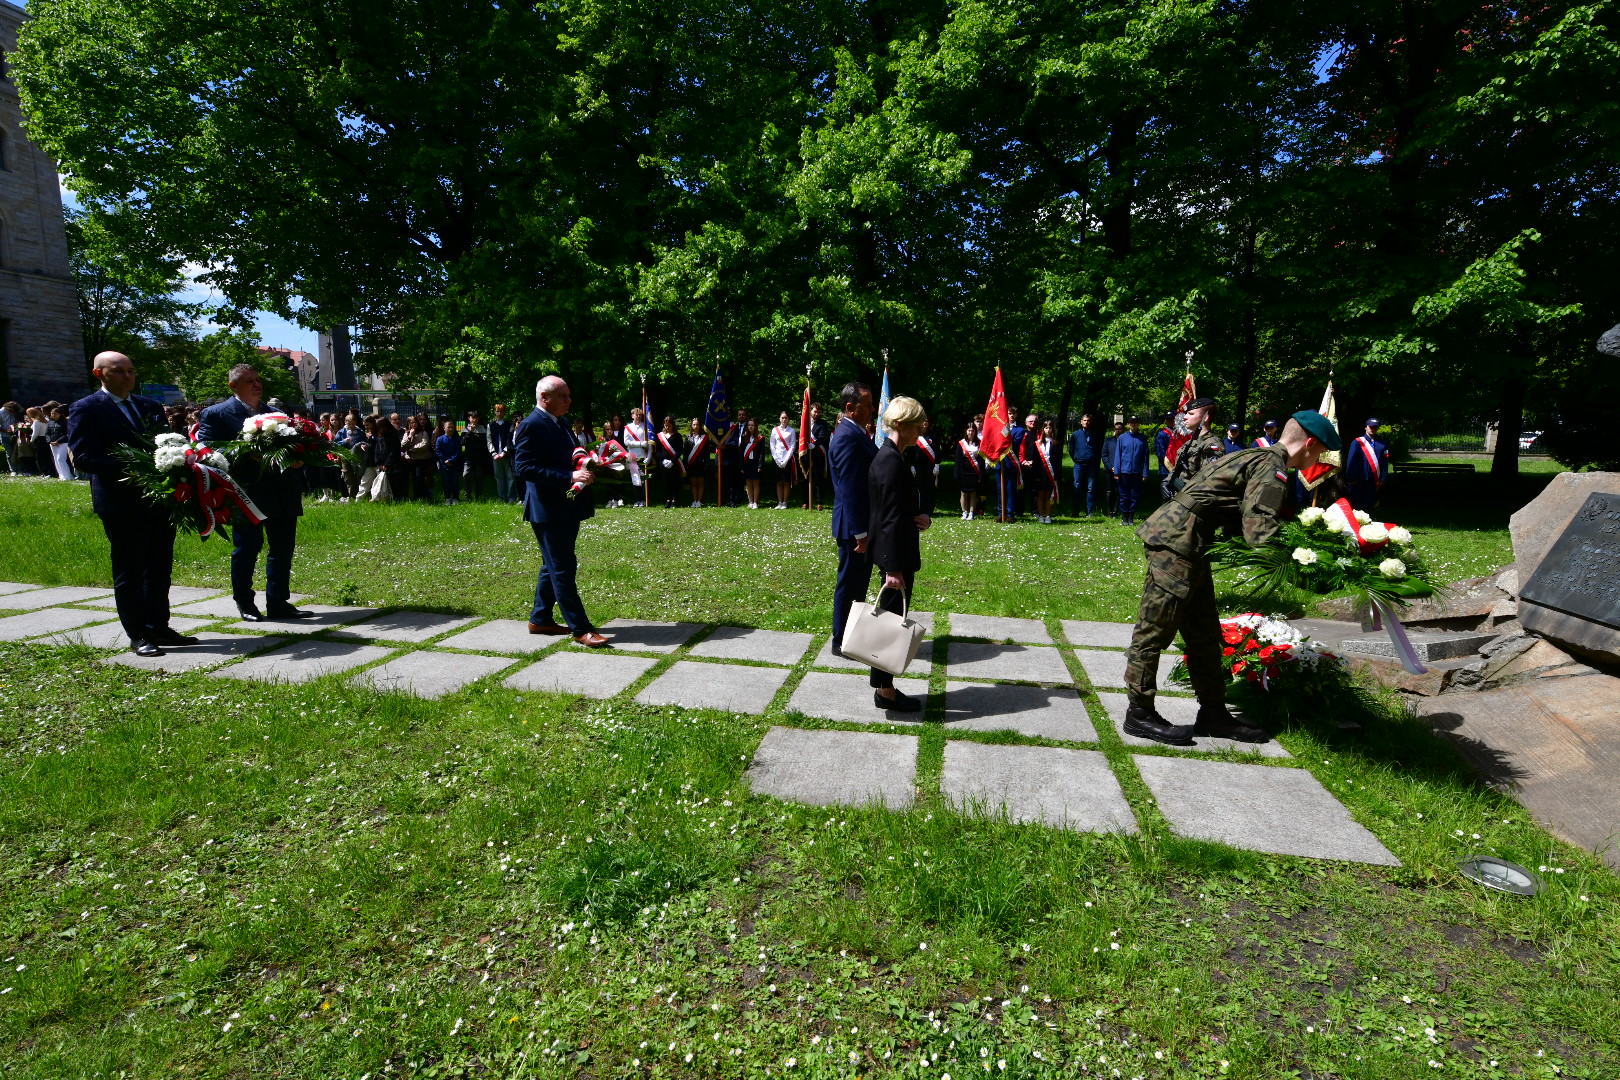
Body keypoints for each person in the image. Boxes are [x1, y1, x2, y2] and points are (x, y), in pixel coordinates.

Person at [1121, 411, 1339, 745]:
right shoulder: (1271, 466)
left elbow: (1234, 514)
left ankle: (1213, 714)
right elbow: (1259, 533)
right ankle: (1139, 713)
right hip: (1176, 543)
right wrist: (1309, 568)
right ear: (1309, 443)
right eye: (1319, 452)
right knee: (1154, 629)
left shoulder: (1256, 456)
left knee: (1204, 635)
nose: (1316, 460)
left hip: (1189, 543)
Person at [66, 352, 198, 656]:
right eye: (119, 371)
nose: (127, 376)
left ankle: (159, 626)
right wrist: (134, 469)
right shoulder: (86, 408)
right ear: (99, 374)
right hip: (120, 502)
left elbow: (166, 444)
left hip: (159, 500)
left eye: (131, 371)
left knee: (159, 567)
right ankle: (138, 633)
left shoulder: (149, 406)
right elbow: (84, 457)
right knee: (130, 569)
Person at [197, 364, 311, 622]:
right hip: (246, 494)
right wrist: (248, 454)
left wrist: (299, 458)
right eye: (249, 381)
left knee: (282, 549)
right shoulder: (216, 414)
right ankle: (245, 602)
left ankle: (278, 601)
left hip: (282, 492)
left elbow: (293, 446)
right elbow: (208, 452)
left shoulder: (276, 414)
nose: (257, 384)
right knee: (247, 548)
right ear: (233, 386)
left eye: (258, 380)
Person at [513, 375, 609, 647]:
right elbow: (523, 468)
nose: (569, 401)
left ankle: (540, 618)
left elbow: (570, 452)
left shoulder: (561, 422)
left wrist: (588, 463)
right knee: (563, 567)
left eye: (568, 395)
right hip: (547, 509)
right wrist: (569, 476)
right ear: (545, 398)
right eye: (563, 396)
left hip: (566, 506)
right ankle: (581, 628)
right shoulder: (531, 425)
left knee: (553, 564)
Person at [865, 395, 931, 712]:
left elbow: (895, 511)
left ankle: (884, 688)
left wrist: (919, 517)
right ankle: (885, 693)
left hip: (898, 552)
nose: (922, 428)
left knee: (890, 623)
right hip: (896, 559)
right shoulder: (890, 461)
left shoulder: (892, 456)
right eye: (918, 423)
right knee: (889, 625)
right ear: (902, 425)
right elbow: (887, 518)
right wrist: (892, 569)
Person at [828, 381, 876, 656]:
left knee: (858, 584)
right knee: (850, 583)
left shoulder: (855, 433)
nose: (872, 410)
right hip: (853, 528)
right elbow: (849, 488)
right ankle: (840, 639)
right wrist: (861, 533)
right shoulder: (847, 436)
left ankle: (851, 636)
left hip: (858, 526)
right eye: (867, 406)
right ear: (850, 407)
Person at [1164, 397, 1224, 497]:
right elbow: (1178, 470)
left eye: (1191, 414)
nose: (1184, 417)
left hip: (1193, 503)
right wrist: (1167, 481)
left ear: (1205, 417)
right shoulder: (1189, 444)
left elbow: (1210, 481)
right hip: (1180, 500)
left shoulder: (1211, 445)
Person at [1108, 416, 1151, 526]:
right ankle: (1124, 517)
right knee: (1124, 495)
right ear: (1128, 424)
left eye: (1135, 422)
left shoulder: (1143, 438)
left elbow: (1146, 457)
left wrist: (1145, 472)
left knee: (1134, 495)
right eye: (1131, 422)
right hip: (1124, 471)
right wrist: (1117, 471)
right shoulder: (1122, 438)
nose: (1133, 424)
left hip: (1137, 471)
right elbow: (1118, 455)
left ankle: (1131, 517)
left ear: (1138, 424)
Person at [1344, 417, 1389, 513]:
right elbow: (1351, 461)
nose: (1373, 429)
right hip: (1359, 479)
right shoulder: (1357, 442)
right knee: (1356, 506)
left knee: (1369, 505)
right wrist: (1351, 478)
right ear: (1366, 427)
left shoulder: (1383, 443)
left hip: (1374, 480)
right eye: (1371, 427)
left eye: (1375, 427)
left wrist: (1383, 477)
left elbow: (1385, 461)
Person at [903, 417, 938, 517]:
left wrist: (937, 465)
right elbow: (911, 452)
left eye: (927, 421)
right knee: (919, 488)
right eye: (924, 421)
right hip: (918, 466)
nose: (925, 423)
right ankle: (919, 508)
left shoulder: (933, 436)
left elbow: (937, 451)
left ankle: (929, 509)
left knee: (929, 488)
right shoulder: (915, 435)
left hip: (930, 467)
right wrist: (912, 464)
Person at [1068, 412, 1100, 518]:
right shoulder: (1075, 434)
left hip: (1091, 465)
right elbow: (1071, 449)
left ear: (1091, 422)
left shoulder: (1095, 434)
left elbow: (1098, 449)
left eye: (1088, 420)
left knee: (1090, 488)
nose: (1086, 422)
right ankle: (1075, 511)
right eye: (1084, 420)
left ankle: (1089, 511)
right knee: (1077, 487)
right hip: (1079, 464)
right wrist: (1077, 458)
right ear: (1081, 422)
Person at [1028, 418, 1060, 523]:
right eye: (1046, 428)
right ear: (1043, 429)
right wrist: (1035, 475)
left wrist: (1057, 474)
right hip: (1040, 473)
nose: (1048, 430)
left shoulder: (1056, 443)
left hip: (1051, 473)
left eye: (1050, 428)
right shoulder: (1037, 443)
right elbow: (1035, 461)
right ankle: (1041, 515)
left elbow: (1057, 461)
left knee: (1049, 495)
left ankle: (1048, 516)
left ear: (1053, 430)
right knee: (1040, 495)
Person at [651, 415, 685, 508]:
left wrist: (672, 461)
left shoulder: (677, 436)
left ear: (673, 425)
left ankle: (674, 499)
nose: (667, 427)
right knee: (666, 481)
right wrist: (662, 459)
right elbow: (657, 450)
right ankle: (668, 499)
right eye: (665, 425)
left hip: (674, 463)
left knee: (674, 481)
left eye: (669, 425)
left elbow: (679, 450)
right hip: (663, 463)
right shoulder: (660, 436)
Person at [488, 403, 517, 503]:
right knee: (499, 478)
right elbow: (489, 441)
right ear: (494, 412)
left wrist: (504, 452)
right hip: (495, 455)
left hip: (506, 455)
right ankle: (501, 497)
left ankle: (511, 498)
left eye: (502, 411)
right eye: (497, 411)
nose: (499, 413)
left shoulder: (509, 425)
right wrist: (494, 453)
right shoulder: (490, 425)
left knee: (510, 477)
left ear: (504, 412)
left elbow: (510, 440)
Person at [623, 406, 652, 507]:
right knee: (635, 479)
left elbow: (650, 443)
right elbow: (626, 442)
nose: (639, 416)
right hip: (632, 456)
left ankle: (644, 500)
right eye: (637, 414)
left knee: (643, 479)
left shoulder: (645, 426)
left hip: (643, 456)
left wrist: (649, 455)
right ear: (632, 416)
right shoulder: (628, 427)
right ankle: (637, 500)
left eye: (640, 415)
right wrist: (640, 444)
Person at [770, 410, 798, 509]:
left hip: (787, 458)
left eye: (785, 417)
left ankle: (785, 502)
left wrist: (786, 459)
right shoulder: (775, 430)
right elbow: (772, 445)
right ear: (779, 419)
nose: (784, 419)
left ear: (788, 419)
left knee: (786, 482)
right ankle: (779, 502)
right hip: (777, 458)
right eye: (782, 418)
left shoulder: (792, 431)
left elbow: (792, 445)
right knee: (778, 481)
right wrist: (777, 459)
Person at [955, 419, 983, 519]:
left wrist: (981, 473)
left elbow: (981, 460)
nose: (970, 432)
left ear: (975, 432)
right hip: (964, 470)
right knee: (963, 492)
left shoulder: (979, 443)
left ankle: (971, 512)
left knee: (973, 492)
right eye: (969, 430)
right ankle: (964, 512)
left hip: (974, 471)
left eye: (972, 430)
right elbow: (957, 460)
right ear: (966, 431)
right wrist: (957, 473)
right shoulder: (961, 443)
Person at [461, 410, 491, 500]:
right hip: (468, 458)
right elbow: (463, 442)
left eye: (476, 418)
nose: (474, 420)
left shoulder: (482, 429)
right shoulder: (465, 429)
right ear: (469, 418)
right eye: (472, 418)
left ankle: (479, 496)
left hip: (479, 457)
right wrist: (470, 432)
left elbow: (484, 444)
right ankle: (468, 496)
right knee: (466, 475)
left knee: (478, 477)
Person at [683, 417, 712, 507]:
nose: (696, 426)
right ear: (691, 426)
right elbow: (686, 451)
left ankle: (699, 501)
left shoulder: (705, 437)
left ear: (700, 426)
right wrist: (685, 463)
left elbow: (707, 452)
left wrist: (706, 463)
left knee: (700, 483)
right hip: (691, 463)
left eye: (697, 424)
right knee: (694, 483)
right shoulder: (688, 437)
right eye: (694, 424)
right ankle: (694, 501)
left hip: (701, 463)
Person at [806, 402, 830, 509]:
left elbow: (822, 437)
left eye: (818, 412)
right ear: (810, 411)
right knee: (806, 477)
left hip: (818, 453)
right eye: (815, 411)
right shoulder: (804, 423)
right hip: (806, 453)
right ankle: (805, 501)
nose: (817, 414)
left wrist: (814, 445)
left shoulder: (822, 423)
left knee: (818, 478)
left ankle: (819, 502)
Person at [739, 417, 765, 509]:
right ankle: (750, 501)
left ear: (755, 426)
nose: (750, 427)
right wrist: (741, 466)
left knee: (756, 483)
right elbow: (741, 453)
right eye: (749, 425)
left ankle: (755, 502)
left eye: (752, 425)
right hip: (747, 463)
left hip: (756, 463)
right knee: (748, 483)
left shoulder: (760, 437)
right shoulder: (743, 437)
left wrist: (760, 465)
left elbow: (762, 453)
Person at [435, 419, 463, 504]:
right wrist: (445, 460)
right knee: (446, 482)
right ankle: (447, 498)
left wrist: (451, 460)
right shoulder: (440, 439)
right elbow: (438, 451)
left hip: (454, 464)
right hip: (444, 465)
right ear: (444, 428)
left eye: (452, 427)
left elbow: (458, 451)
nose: (450, 429)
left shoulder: (456, 439)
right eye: (448, 427)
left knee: (454, 482)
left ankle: (455, 498)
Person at [1101, 419, 1124, 517]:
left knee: (1119, 490)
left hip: (1122, 470)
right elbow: (1104, 455)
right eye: (1116, 429)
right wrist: (1111, 467)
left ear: (1123, 430)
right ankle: (1109, 510)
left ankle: (1116, 510)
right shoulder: (1109, 441)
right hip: (1109, 470)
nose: (1118, 431)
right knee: (1109, 490)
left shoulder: (1125, 441)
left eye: (1120, 429)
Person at [46, 406, 74, 479]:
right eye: (52, 413)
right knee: (56, 459)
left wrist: (58, 441)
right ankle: (61, 475)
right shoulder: (50, 423)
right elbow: (47, 433)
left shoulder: (64, 423)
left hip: (63, 443)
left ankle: (67, 476)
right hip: (52, 443)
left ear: (60, 414)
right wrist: (50, 441)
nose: (53, 415)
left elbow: (66, 434)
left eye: (55, 414)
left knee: (60, 459)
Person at [1153, 411, 1173, 491]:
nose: (1171, 421)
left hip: (1178, 465)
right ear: (1165, 421)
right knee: (1167, 490)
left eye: (1172, 419)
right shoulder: (1162, 434)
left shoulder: (1179, 433)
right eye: (1168, 419)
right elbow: (1159, 451)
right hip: (1166, 467)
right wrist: (1169, 462)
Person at [29, 407, 50, 475]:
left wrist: (32, 440)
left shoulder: (36, 422)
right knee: (47, 456)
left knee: (40, 458)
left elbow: (35, 433)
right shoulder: (46, 420)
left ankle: (44, 473)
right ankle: (49, 472)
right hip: (46, 439)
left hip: (40, 439)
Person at [0, 400, 19, 473]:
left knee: (18, 453)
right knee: (10, 454)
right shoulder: (0, 412)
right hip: (5, 436)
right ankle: (13, 470)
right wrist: (6, 430)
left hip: (16, 435)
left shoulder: (14, 412)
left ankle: (20, 469)